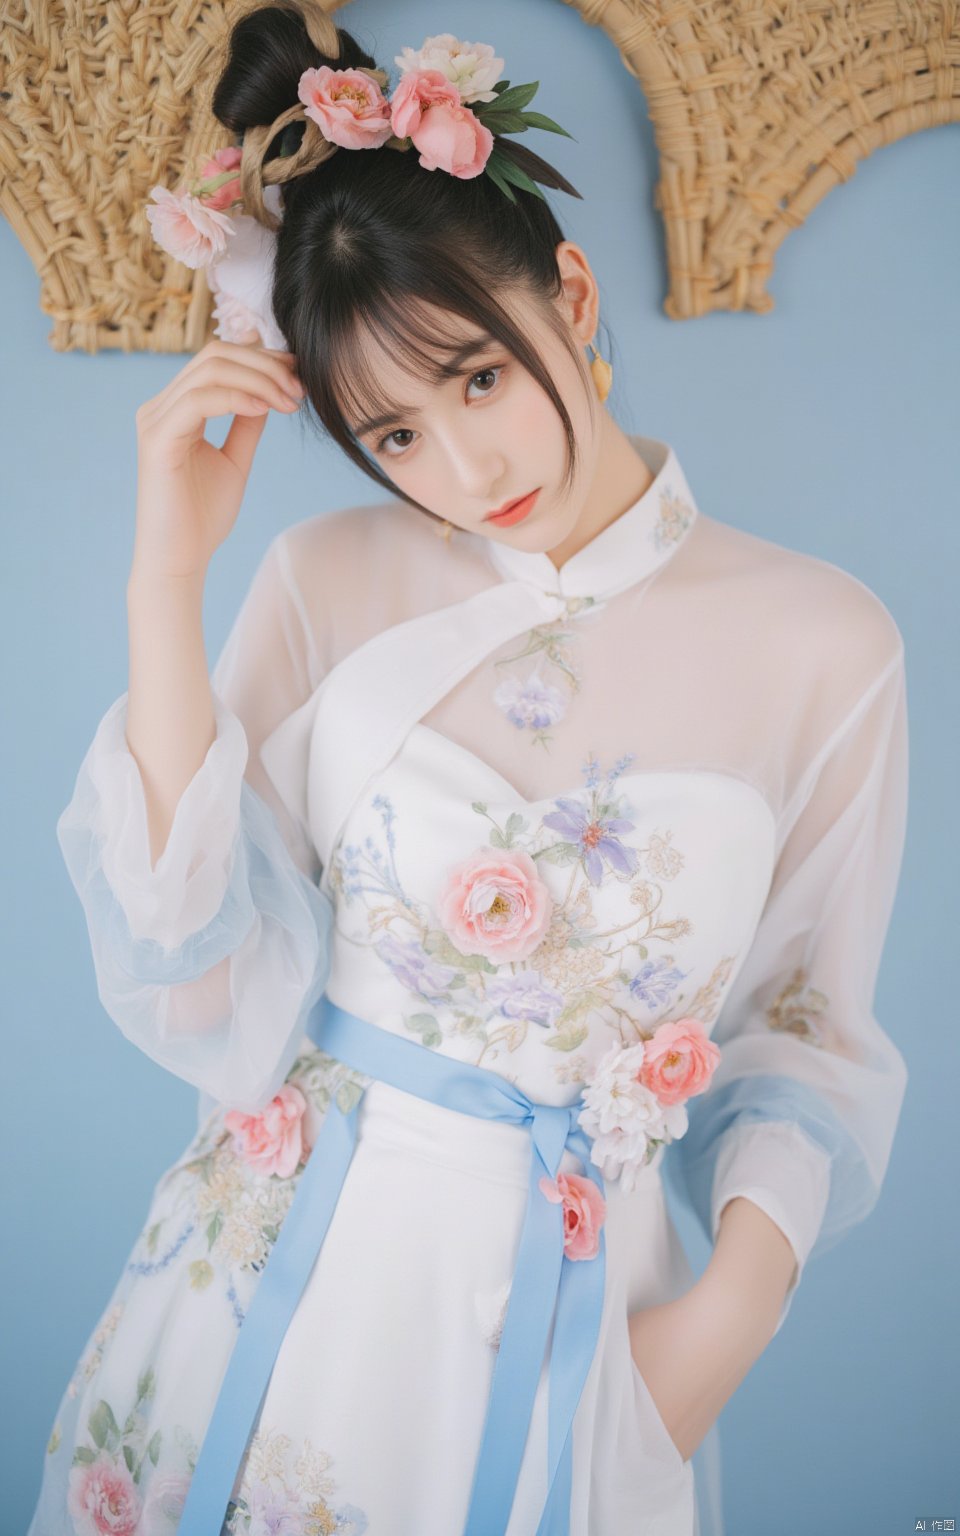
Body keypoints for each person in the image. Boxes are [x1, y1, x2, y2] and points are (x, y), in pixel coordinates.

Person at [28, 6, 910, 1535]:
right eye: (396, 432)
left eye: (479, 381)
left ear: (567, 295)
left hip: (588, 1325)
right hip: (265, 1298)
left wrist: (721, 1330)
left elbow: (805, 1036)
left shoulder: (825, 644)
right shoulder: (324, 577)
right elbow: (188, 979)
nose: (467, 469)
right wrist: (161, 581)